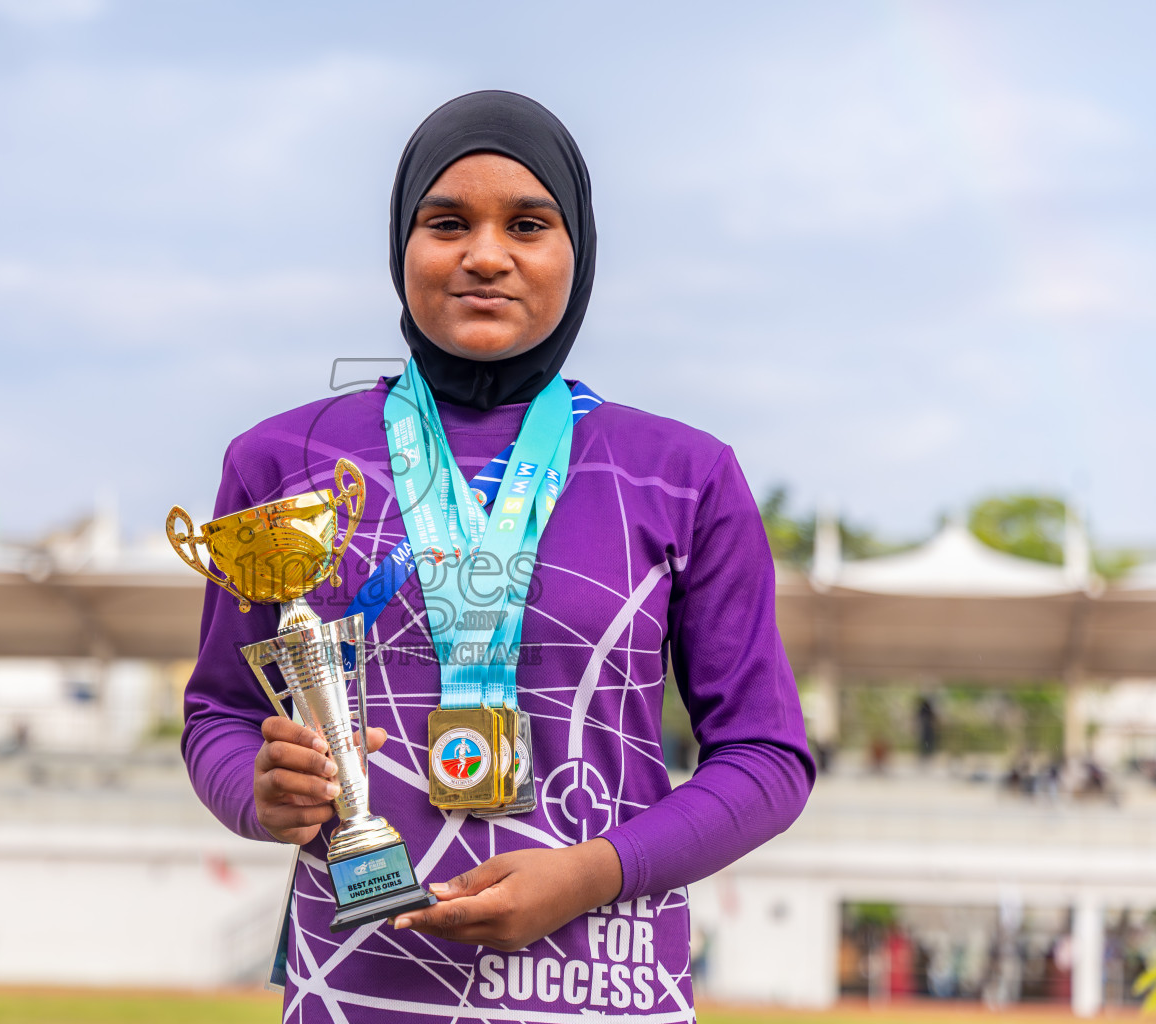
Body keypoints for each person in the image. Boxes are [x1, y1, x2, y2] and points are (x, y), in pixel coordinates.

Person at [181, 90, 814, 1022]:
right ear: (401, 245)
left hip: (602, 984)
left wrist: (592, 875)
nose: (484, 254)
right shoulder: (283, 464)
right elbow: (219, 718)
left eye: (527, 223)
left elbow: (766, 756)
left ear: (578, 251)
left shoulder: (685, 475)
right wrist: (259, 793)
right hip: (359, 987)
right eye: (446, 222)